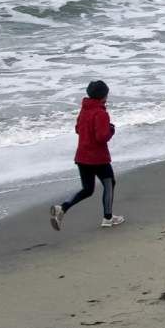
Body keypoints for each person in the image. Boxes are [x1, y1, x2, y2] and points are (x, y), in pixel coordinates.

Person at [51, 80, 123, 230]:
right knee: (109, 184)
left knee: (87, 189)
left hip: (82, 157)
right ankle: (108, 218)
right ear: (103, 96)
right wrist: (111, 129)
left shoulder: (84, 110)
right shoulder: (101, 113)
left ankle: (62, 208)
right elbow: (102, 137)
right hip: (98, 158)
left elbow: (78, 129)